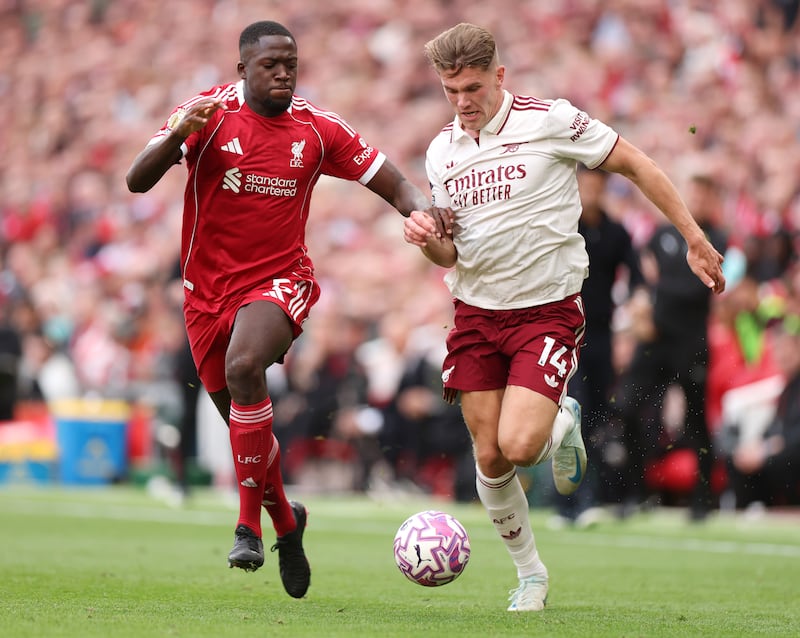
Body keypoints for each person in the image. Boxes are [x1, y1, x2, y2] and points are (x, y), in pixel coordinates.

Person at [402, 23, 726, 612]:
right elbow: (450, 251)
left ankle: (558, 417)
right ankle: (531, 575)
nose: (463, 102)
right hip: (475, 313)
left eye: (472, 87)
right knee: (491, 457)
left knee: (521, 446)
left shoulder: (550, 120)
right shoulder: (441, 151)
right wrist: (425, 238)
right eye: (450, 91)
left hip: (545, 310)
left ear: (499, 76)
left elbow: (638, 165)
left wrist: (694, 237)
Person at [126, 20, 448, 599]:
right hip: (206, 296)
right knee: (250, 432)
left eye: (290, 65)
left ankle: (247, 526)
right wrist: (177, 136)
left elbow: (388, 178)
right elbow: (136, 180)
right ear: (242, 67)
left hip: (280, 280)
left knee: (245, 368)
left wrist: (420, 209)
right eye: (270, 64)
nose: (282, 74)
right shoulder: (206, 115)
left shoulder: (316, 128)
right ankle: (287, 522)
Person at [614, 173, 728, 522]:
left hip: (690, 342)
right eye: (693, 192)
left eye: (704, 194)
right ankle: (637, 492)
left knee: (696, 421)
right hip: (655, 341)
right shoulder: (662, 234)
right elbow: (641, 277)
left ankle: (703, 497)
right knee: (629, 408)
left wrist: (656, 290)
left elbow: (700, 288)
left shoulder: (716, 239)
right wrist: (641, 303)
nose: (697, 200)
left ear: (713, 200)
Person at [551, 166, 644, 527]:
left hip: (601, 337)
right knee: (573, 412)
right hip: (565, 335)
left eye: (596, 185)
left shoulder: (616, 233)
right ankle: (574, 503)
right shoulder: (561, 227)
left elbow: (635, 277)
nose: (590, 191)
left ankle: (584, 500)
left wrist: (635, 305)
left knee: (595, 418)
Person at [727, 313, 800, 508]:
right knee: (737, 458)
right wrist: (757, 447)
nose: (782, 355)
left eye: (787, 348)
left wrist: (768, 449)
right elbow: (775, 427)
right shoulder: (788, 388)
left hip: (792, 453)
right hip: (784, 449)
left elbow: (793, 436)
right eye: (777, 349)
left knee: (776, 463)